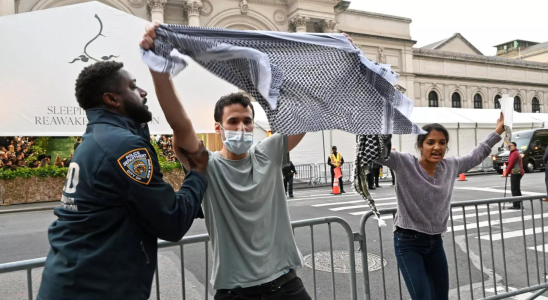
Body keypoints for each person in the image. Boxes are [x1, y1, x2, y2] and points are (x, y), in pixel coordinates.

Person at [140, 22, 311, 300]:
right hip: (236, 292)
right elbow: (180, 125)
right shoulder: (207, 165)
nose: (241, 128)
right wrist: (158, 68)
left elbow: (305, 111)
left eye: (247, 121)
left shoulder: (269, 152)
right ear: (218, 128)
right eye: (233, 122)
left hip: (286, 285)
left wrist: (329, 55)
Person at [37, 61, 209, 300]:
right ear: (112, 99)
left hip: (76, 283)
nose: (143, 92)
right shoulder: (123, 147)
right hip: (96, 291)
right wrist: (198, 173)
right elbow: (172, 221)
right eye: (133, 86)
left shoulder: (98, 139)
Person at [375, 113, 504, 300]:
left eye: (442, 143)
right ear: (420, 146)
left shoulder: (450, 166)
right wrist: (381, 127)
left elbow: (476, 155)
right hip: (408, 243)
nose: (437, 147)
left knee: (440, 296)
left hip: (435, 243)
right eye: (430, 142)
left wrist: (498, 130)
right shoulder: (404, 163)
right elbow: (378, 154)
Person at [506, 141, 524, 209]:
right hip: (517, 172)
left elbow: (511, 164)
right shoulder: (514, 152)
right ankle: (519, 204)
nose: (510, 146)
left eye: (512, 145)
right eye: (510, 145)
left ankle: (516, 205)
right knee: (517, 188)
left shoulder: (514, 153)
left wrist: (507, 172)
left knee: (514, 189)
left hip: (516, 172)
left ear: (515, 146)